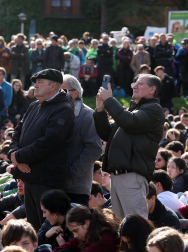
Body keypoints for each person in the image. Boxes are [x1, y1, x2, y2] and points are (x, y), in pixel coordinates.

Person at [8, 69, 75, 230]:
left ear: (53, 86)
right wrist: (13, 155)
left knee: (46, 229)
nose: (35, 85)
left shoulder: (63, 109)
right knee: (33, 227)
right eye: (35, 82)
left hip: (46, 180)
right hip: (30, 176)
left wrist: (18, 156)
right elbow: (18, 130)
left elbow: (48, 143)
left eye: (40, 82)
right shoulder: (34, 105)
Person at [94, 73, 165, 219]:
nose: (134, 86)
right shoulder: (131, 112)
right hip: (118, 176)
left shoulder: (154, 110)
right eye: (134, 84)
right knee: (121, 227)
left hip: (133, 176)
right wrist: (100, 110)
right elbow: (107, 134)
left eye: (140, 84)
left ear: (152, 90)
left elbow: (130, 122)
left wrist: (109, 100)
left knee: (135, 225)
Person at [61, 74, 102, 205]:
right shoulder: (58, 113)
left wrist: (70, 175)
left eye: (62, 91)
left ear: (75, 93)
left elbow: (94, 149)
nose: (58, 95)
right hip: (56, 185)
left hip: (75, 188)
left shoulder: (87, 115)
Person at [53, 206, 120, 252]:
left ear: (87, 223)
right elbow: (63, 247)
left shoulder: (106, 238)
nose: (75, 236)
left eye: (75, 231)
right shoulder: (86, 234)